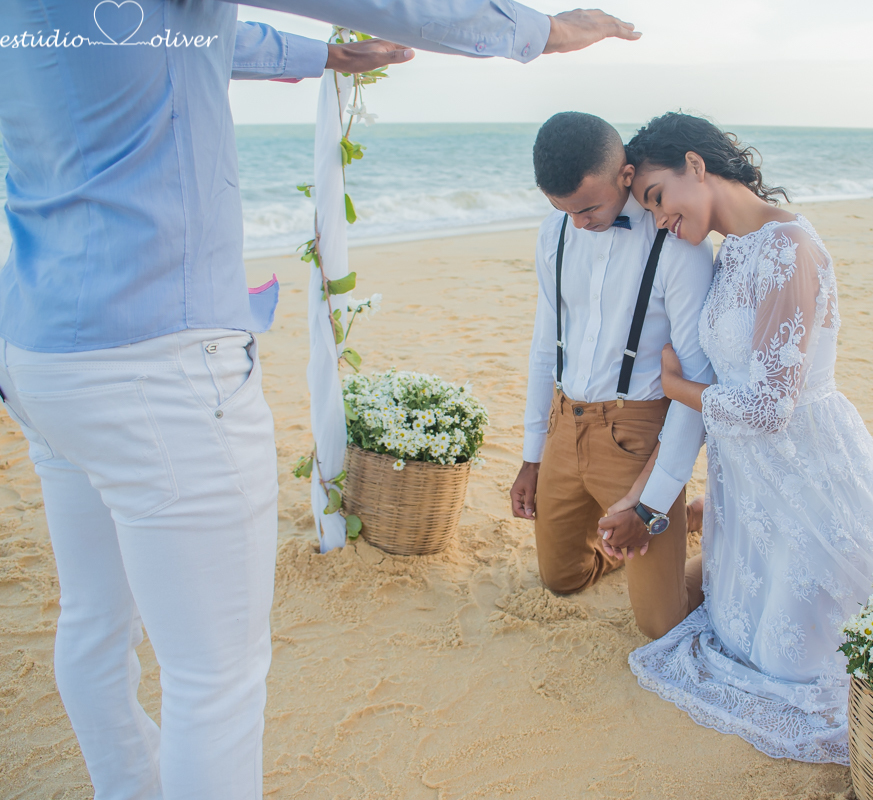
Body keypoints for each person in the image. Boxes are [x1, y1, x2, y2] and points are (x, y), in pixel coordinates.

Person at [0, 4, 636, 798]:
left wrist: (318, 56)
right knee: (215, 681)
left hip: (37, 350)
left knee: (94, 626)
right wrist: (539, 32)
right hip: (157, 361)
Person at [621, 113, 873, 764]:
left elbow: (768, 407)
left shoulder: (790, 247)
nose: (661, 220)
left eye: (659, 199)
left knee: (796, 664)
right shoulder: (733, 250)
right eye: (650, 211)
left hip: (809, 473)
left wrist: (677, 389)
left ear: (695, 164)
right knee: (738, 638)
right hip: (755, 487)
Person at [509, 112, 713, 639]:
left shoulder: (677, 241)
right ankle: (678, 522)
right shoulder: (555, 232)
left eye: (588, 208)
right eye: (563, 210)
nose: (577, 223)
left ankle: (699, 530)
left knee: (661, 623)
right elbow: (543, 345)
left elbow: (696, 381)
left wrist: (650, 505)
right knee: (562, 578)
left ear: (625, 175)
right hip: (563, 423)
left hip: (636, 433)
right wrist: (532, 456)